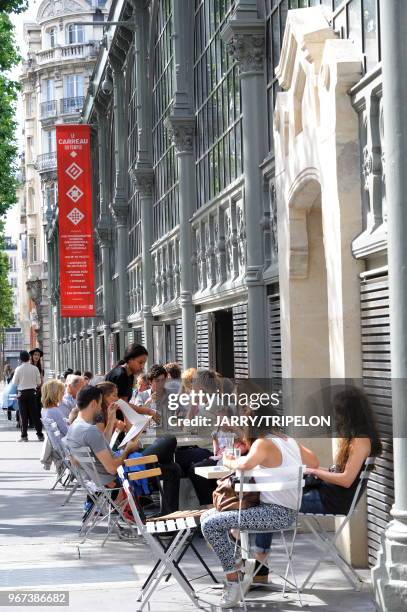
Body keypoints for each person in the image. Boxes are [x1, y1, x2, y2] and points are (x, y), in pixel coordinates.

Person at [253, 386, 383, 585]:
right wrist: (318, 470)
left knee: (269, 500)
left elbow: (347, 480)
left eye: (338, 412)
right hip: (330, 494)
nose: (335, 417)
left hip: (334, 500)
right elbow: (341, 475)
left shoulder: (360, 441)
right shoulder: (357, 438)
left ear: (349, 413)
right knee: (271, 497)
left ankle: (259, 569)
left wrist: (315, 471)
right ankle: (259, 569)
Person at [200, 412, 319, 608]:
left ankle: (234, 578)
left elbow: (244, 464)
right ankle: (239, 565)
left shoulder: (263, 442)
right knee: (207, 517)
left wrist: (227, 459)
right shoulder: (287, 440)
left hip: (274, 513)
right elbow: (313, 462)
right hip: (284, 511)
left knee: (211, 524)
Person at [65, 385, 181, 514]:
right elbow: (112, 468)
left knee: (172, 468)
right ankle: (167, 518)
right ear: (93, 403)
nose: (99, 407)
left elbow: (102, 445)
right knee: (169, 441)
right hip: (124, 475)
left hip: (106, 477)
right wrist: (128, 450)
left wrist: (111, 420)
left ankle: (167, 519)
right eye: (99, 403)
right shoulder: (89, 431)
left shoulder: (76, 427)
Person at [105, 344, 156, 419]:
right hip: (112, 420)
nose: (142, 366)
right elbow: (123, 405)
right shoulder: (121, 375)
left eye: (144, 363)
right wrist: (147, 411)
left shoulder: (130, 375)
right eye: (140, 362)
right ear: (130, 360)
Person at [12, 351, 44, 442]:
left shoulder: (18, 369)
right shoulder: (35, 369)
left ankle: (24, 436)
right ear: (29, 358)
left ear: (20, 359)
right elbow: (38, 383)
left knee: (23, 415)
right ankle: (40, 435)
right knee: (35, 414)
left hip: (21, 393)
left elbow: (14, 382)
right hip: (32, 393)